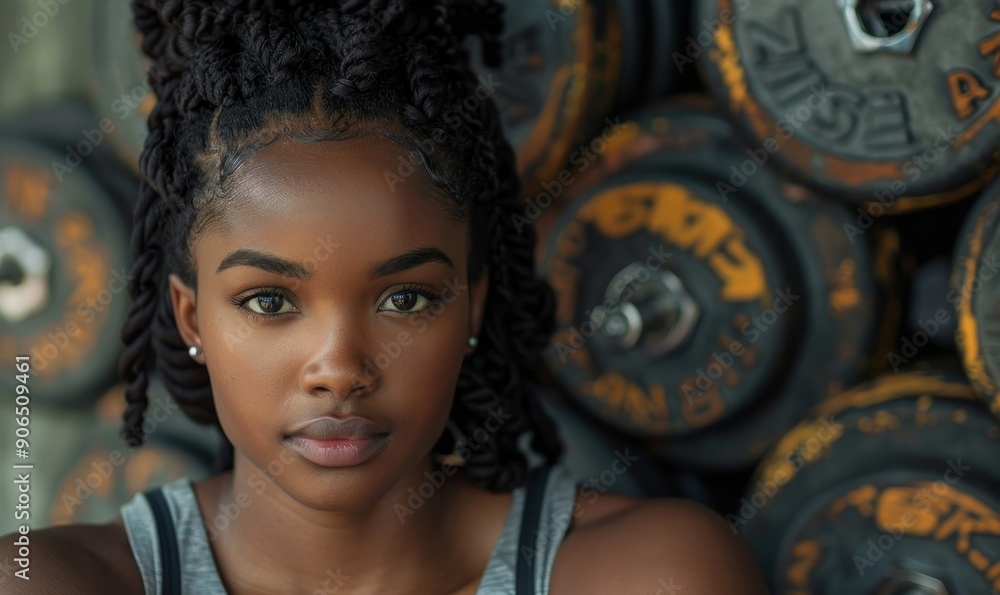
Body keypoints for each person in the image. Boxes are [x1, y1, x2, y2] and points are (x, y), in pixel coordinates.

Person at [1, 1, 769, 593]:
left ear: (472, 306)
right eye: (269, 300)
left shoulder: (652, 575)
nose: (339, 367)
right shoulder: (46, 581)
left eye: (405, 298)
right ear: (191, 315)